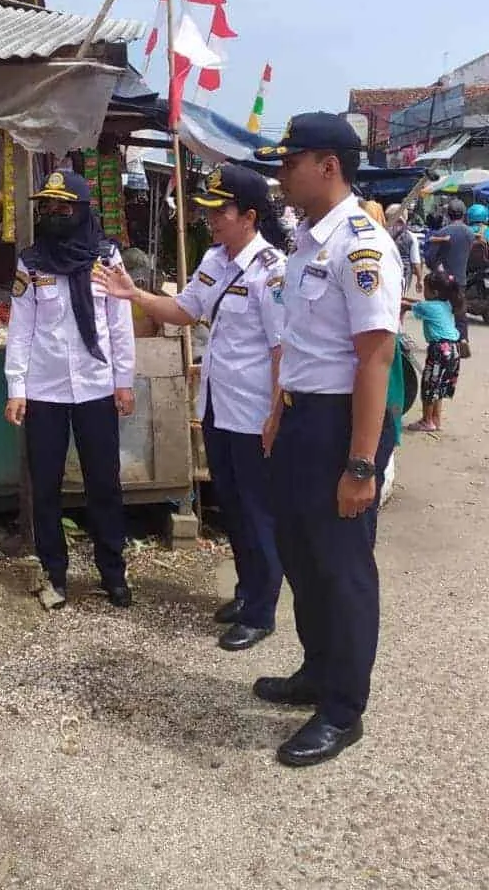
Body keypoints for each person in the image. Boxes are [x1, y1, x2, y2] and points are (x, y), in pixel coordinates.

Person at [256, 113, 402, 768]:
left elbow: (374, 359)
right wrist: (280, 409)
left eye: (291, 162)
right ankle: (317, 671)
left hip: (346, 423)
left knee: (343, 567)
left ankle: (344, 710)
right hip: (303, 416)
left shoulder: (362, 245)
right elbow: (305, 344)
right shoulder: (307, 242)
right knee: (301, 552)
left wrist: (362, 463)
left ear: (328, 165)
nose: (282, 175)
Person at [96, 165, 286, 653]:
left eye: (218, 212)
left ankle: (262, 611)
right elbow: (185, 311)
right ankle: (247, 593)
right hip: (219, 409)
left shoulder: (272, 271)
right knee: (235, 509)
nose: (209, 221)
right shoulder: (215, 260)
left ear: (248, 216)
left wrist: (276, 416)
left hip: (253, 413)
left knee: (259, 513)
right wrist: (133, 294)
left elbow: (282, 350)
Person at [4, 171, 135, 611]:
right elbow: (20, 330)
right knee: (45, 487)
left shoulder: (106, 256)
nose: (54, 214)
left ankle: (113, 573)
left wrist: (124, 382)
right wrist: (16, 387)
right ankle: (54, 575)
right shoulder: (32, 262)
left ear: (82, 210)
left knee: (105, 484)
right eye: (47, 207)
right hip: (44, 391)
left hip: (97, 387)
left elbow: (119, 325)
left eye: (64, 207)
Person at [401, 271, 462, 433]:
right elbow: (419, 303)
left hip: (439, 350)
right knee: (440, 386)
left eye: (425, 289)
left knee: (429, 385)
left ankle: (426, 421)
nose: (423, 292)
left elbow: (406, 306)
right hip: (454, 350)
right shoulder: (446, 304)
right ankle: (436, 419)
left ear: (434, 293)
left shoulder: (428, 307)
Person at [427, 199, 475, 357]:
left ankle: (445, 342)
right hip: (460, 278)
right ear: (463, 214)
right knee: (460, 310)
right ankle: (463, 340)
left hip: (443, 280)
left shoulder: (442, 232)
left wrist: (435, 269)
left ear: (448, 214)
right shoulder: (469, 233)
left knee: (443, 310)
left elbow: (430, 257)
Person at [385, 205, 422, 295]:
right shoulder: (411, 236)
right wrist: (419, 280)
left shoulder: (382, 233)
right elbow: (416, 262)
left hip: (386, 272)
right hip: (404, 275)